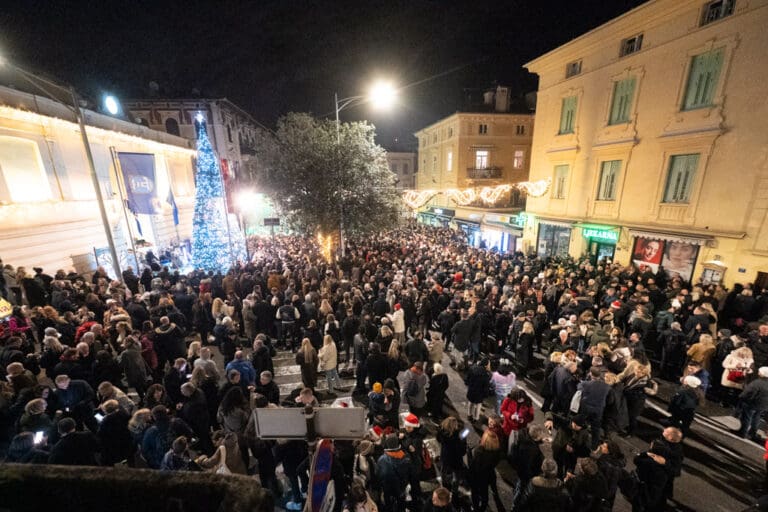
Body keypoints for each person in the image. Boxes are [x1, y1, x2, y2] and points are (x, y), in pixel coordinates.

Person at [377, 433, 414, 512]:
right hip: (402, 490)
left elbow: (379, 476)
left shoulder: (382, 460)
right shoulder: (406, 456)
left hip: (388, 492)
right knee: (401, 507)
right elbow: (411, 474)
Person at [468, 430, 503, 512]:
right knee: (484, 495)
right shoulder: (497, 453)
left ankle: (476, 508)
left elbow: (473, 465)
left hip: (476, 477)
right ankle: (482, 508)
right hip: (487, 477)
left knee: (475, 494)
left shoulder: (478, 452)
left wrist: (469, 453)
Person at [632, 440, 670, 512]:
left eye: (651, 446)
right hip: (655, 495)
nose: (650, 448)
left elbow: (636, 460)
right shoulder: (664, 462)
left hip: (644, 492)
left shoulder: (649, 462)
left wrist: (646, 454)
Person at [500, 387, 534, 455]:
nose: (520, 401)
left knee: (516, 444)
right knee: (506, 441)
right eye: (518, 399)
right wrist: (510, 415)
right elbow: (503, 410)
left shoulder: (528, 402)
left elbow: (531, 417)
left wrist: (524, 420)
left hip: (520, 428)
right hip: (508, 426)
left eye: (522, 399)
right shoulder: (508, 400)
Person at [737, 366, 768, 440]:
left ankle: (742, 432)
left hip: (752, 403)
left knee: (746, 417)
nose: (758, 373)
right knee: (756, 418)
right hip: (763, 405)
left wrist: (742, 397)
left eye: (759, 372)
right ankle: (752, 433)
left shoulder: (757, 382)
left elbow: (749, 392)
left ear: (762, 374)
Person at [465, 358, 491, 422]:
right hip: (479, 394)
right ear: (486, 365)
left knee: (470, 403)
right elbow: (486, 387)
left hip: (471, 390)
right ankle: (475, 418)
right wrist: (486, 395)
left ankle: (469, 415)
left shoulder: (473, 369)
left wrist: (469, 385)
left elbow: (467, 379)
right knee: (478, 406)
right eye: (489, 364)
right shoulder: (486, 375)